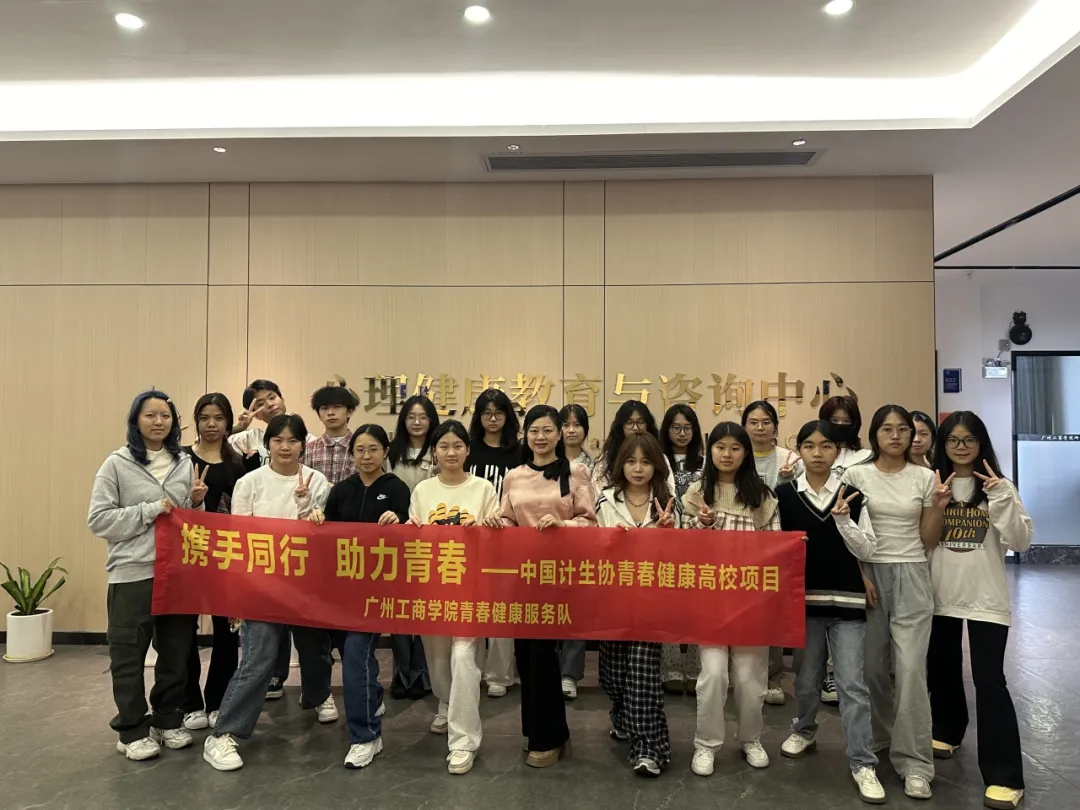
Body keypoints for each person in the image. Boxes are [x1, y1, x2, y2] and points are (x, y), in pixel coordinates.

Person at [202, 414, 335, 772]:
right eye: (278, 440)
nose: (285, 447)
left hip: (305, 585)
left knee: (315, 648)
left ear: (303, 445)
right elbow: (240, 538)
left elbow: (320, 536)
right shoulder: (250, 482)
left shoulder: (316, 480)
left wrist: (308, 508)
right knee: (258, 657)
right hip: (261, 585)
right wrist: (240, 591)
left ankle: (320, 696)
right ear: (268, 444)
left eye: (293, 440)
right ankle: (224, 733)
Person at [841, 404, 953, 800]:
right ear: (874, 434)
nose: (895, 436)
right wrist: (860, 576)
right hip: (868, 576)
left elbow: (928, 540)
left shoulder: (924, 477)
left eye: (903, 429)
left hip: (911, 575)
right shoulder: (855, 475)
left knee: (910, 671)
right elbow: (844, 530)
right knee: (871, 670)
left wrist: (937, 507)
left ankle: (915, 762)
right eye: (887, 429)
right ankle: (883, 737)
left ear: (913, 435)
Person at [87, 390, 207, 761]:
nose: (158, 422)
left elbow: (184, 518)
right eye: (150, 415)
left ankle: (167, 720)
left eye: (165, 416)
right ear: (136, 420)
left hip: (177, 573)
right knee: (128, 656)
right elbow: (99, 520)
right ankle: (131, 730)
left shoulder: (183, 462)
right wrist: (149, 510)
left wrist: (196, 502)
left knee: (175, 652)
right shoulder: (116, 464)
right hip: (132, 573)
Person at [775, 421, 886, 804]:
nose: (817, 453)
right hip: (804, 602)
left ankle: (863, 762)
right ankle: (804, 729)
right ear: (799, 450)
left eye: (825, 446)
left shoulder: (852, 495)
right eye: (809, 445)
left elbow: (867, 549)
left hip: (848, 602)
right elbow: (775, 547)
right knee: (806, 679)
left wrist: (843, 521)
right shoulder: (784, 495)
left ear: (836, 451)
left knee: (851, 684)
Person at [483, 404, 597, 768]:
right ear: (525, 435)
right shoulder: (513, 476)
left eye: (548, 430)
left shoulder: (576, 472)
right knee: (525, 656)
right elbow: (508, 519)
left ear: (559, 434)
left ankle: (549, 738)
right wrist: (496, 522)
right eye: (534, 430)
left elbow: (590, 523)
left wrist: (564, 526)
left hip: (560, 576)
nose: (541, 437)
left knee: (543, 656)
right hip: (522, 578)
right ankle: (541, 732)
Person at [928, 412, 1032, 810]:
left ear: (981, 443)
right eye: (953, 440)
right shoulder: (932, 482)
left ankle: (1005, 775)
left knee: (990, 680)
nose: (961, 447)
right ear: (943, 444)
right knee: (942, 667)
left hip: (986, 597)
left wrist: (1001, 498)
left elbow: (1020, 542)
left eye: (969, 439)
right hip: (939, 593)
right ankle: (947, 729)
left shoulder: (999, 486)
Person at [681, 422, 780, 776]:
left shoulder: (762, 495)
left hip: (750, 601)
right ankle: (706, 744)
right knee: (712, 675)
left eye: (735, 448)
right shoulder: (696, 491)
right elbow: (681, 547)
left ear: (746, 452)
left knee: (751, 679)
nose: (727, 454)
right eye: (720, 447)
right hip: (710, 600)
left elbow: (776, 546)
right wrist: (703, 524)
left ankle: (750, 739)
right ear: (709, 450)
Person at [318, 424, 411, 771]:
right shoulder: (342, 490)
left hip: (378, 591)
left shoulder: (397, 489)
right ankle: (371, 699)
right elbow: (326, 536)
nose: (366, 456)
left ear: (385, 452)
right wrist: (316, 519)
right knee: (352, 655)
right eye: (360, 450)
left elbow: (412, 536)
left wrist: (399, 521)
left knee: (356, 656)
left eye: (373, 449)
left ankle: (366, 735)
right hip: (341, 591)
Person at [410, 420, 500, 775]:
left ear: (467, 450)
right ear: (434, 451)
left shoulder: (483, 489)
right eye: (444, 446)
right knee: (437, 659)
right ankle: (446, 702)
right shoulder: (422, 490)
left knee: (463, 656)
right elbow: (414, 536)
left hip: (470, 588)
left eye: (457, 446)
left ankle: (463, 741)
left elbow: (496, 537)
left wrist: (489, 529)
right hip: (432, 587)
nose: (451, 452)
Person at [596, 432, 676, 778]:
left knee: (642, 672)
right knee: (613, 676)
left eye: (645, 461)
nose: (638, 468)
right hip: (613, 600)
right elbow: (591, 546)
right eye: (631, 461)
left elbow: (686, 556)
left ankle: (649, 749)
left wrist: (670, 533)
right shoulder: (605, 500)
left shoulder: (669, 503)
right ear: (621, 465)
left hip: (652, 602)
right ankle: (621, 712)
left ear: (656, 465)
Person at [181, 393, 259, 732]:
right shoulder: (181, 458)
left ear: (228, 422)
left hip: (227, 557)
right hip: (188, 555)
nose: (211, 424)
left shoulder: (239, 463)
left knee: (227, 633)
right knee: (183, 629)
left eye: (218, 418)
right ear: (196, 421)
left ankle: (217, 701)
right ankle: (189, 704)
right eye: (204, 418)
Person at [742, 400, 799, 707]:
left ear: (775, 427)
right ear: (744, 427)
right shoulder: (737, 454)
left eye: (766, 422)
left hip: (778, 541)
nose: (760, 427)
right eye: (753, 422)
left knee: (773, 611)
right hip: (741, 543)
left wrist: (789, 481)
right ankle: (744, 676)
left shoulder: (790, 458)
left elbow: (800, 499)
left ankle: (774, 677)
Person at [817, 394, 873, 705]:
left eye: (846, 421)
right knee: (820, 612)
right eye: (833, 420)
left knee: (848, 615)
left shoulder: (865, 457)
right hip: (821, 539)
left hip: (854, 534)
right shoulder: (814, 453)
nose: (839, 426)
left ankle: (847, 675)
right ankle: (826, 674)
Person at [466, 388, 522, 698]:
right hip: (472, 536)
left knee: (502, 607)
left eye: (498, 413)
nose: (492, 419)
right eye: (486, 413)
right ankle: (472, 670)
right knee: (473, 605)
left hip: (508, 538)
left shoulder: (519, 452)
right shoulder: (469, 449)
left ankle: (499, 674)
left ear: (507, 416)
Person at [384, 395, 440, 700]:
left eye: (423, 417)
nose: (417, 422)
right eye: (411, 417)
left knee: (427, 611)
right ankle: (401, 675)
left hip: (433, 540)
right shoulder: (391, 453)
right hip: (398, 539)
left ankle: (424, 676)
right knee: (401, 612)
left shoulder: (440, 449)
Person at [305, 379, 361, 657]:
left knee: (352, 601)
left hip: (354, 537)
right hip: (317, 536)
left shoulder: (362, 447)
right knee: (319, 600)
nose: (330, 413)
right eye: (324, 408)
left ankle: (350, 655)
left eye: (337, 407)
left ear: (349, 411)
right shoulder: (309, 449)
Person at [658, 403, 705, 697]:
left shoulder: (705, 462)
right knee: (668, 606)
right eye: (676, 427)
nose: (682, 433)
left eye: (687, 427)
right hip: (665, 538)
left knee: (698, 606)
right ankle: (671, 669)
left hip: (699, 538)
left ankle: (696, 669)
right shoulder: (657, 460)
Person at [556, 403, 594, 699]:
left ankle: (569, 674)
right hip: (546, 544)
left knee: (574, 610)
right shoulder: (544, 462)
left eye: (577, 424)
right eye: (565, 424)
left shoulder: (596, 466)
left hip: (582, 544)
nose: (571, 430)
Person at [593, 400, 677, 495]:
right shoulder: (607, 458)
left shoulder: (659, 456)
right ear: (621, 426)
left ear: (648, 425)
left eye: (640, 422)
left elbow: (669, 491)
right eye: (629, 423)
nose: (635, 427)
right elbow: (598, 492)